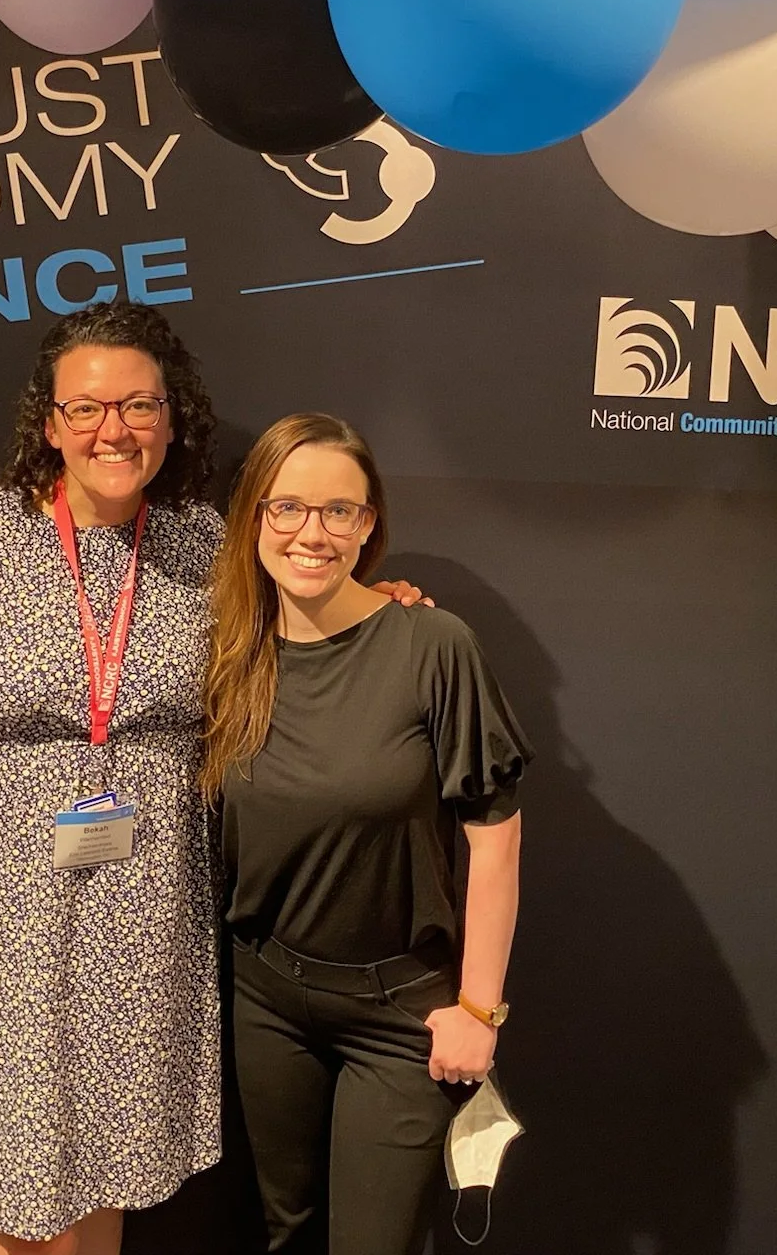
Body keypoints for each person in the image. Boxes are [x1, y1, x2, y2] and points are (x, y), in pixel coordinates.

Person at [0, 304, 425, 1255]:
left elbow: (311, 603)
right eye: (85, 409)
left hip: (146, 929)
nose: (112, 429)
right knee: (22, 1213)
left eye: (137, 405)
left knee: (103, 1193)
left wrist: (387, 603)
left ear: (172, 417)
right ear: (50, 423)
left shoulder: (205, 547)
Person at [204, 413, 529, 1255]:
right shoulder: (227, 651)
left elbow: (494, 843)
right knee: (285, 1231)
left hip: (401, 1013)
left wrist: (477, 1011)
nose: (312, 533)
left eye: (338, 511)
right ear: (254, 518)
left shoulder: (433, 645)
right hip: (264, 997)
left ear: (369, 523)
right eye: (288, 508)